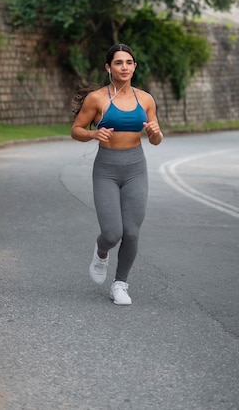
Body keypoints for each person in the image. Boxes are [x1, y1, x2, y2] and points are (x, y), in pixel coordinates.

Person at [71, 43, 163, 306]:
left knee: (132, 232)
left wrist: (156, 135)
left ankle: (120, 284)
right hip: (107, 169)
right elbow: (76, 129)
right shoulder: (97, 98)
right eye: (118, 63)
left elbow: (155, 138)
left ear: (134, 66)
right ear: (108, 67)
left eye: (129, 62)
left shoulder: (145, 99)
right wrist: (92, 133)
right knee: (112, 233)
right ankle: (101, 253)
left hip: (135, 168)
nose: (124, 67)